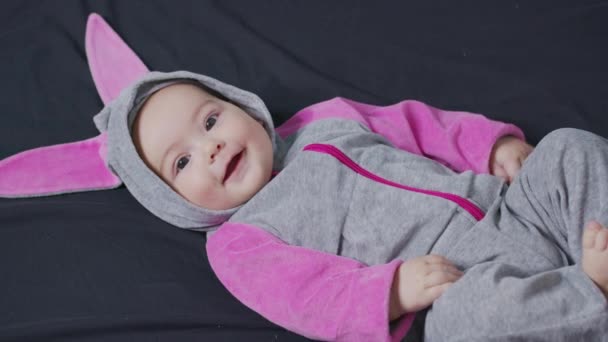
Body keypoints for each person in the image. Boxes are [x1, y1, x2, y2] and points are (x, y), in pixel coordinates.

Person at [93, 70, 608, 341]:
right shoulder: (238, 242)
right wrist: (390, 291)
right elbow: (308, 296)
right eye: (181, 164)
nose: (210, 148)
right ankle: (590, 294)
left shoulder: (325, 121)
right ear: (174, 203)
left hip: (511, 207)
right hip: (462, 277)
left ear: (242, 106)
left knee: (566, 148)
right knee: (465, 325)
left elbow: (416, 124)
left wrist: (490, 147)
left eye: (210, 121)